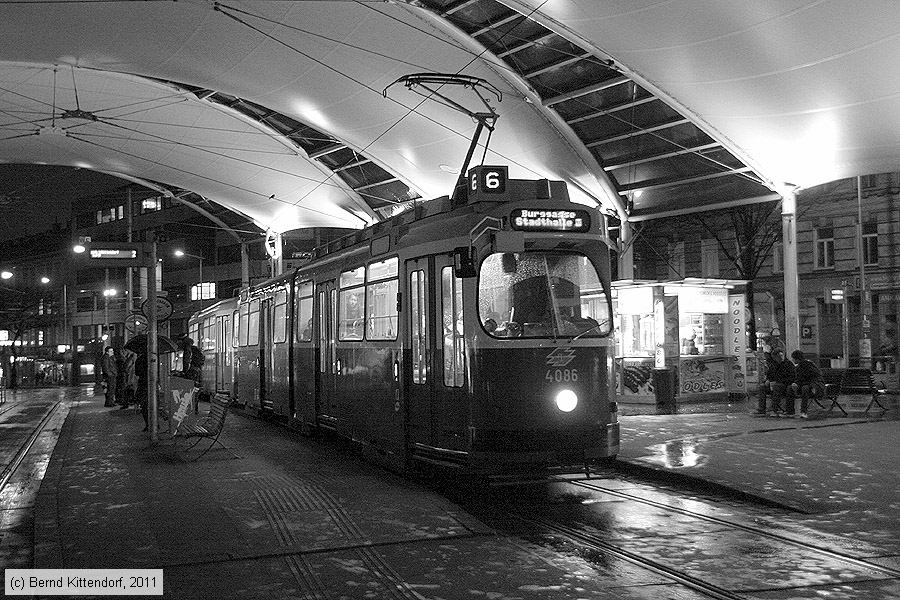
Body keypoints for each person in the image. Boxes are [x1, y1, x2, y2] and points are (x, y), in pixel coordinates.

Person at [756, 348, 795, 417]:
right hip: (774, 384)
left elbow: (791, 378)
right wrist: (767, 380)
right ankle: (761, 409)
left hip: (784, 384)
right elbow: (770, 375)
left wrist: (777, 381)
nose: (775, 359)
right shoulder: (773, 365)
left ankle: (774, 409)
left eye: (776, 357)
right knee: (762, 387)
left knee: (777, 386)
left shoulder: (788, 364)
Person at [789, 349, 824, 419]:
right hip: (809, 385)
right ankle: (791, 411)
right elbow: (800, 379)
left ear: (797, 359)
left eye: (793, 358)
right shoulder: (800, 366)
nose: (792, 360)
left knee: (805, 388)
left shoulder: (807, 366)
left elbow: (811, 378)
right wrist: (795, 383)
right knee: (792, 388)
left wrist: (797, 384)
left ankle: (802, 411)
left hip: (814, 386)